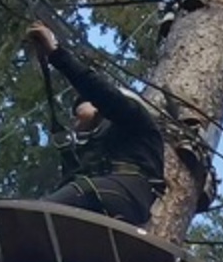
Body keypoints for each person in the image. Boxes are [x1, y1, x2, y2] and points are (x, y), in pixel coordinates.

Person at [23, 22, 165, 227]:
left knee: (45, 211)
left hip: (126, 192)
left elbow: (98, 91)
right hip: (109, 200)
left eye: (77, 111)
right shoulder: (92, 149)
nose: (74, 121)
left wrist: (55, 53)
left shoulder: (134, 119)